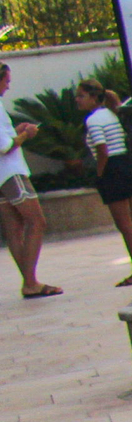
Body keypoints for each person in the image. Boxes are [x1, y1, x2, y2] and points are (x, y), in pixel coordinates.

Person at [76, 80, 132, 287]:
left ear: (94, 98)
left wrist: (100, 174)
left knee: (124, 223)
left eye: (81, 96)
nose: (77, 100)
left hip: (113, 168)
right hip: (128, 165)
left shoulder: (93, 120)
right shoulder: (113, 114)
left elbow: (102, 150)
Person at [0, 64, 56, 299]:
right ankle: (31, 281)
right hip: (12, 173)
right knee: (36, 222)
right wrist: (26, 134)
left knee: (14, 229)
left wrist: (16, 131)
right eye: (6, 81)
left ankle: (29, 281)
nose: (8, 85)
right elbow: (4, 146)